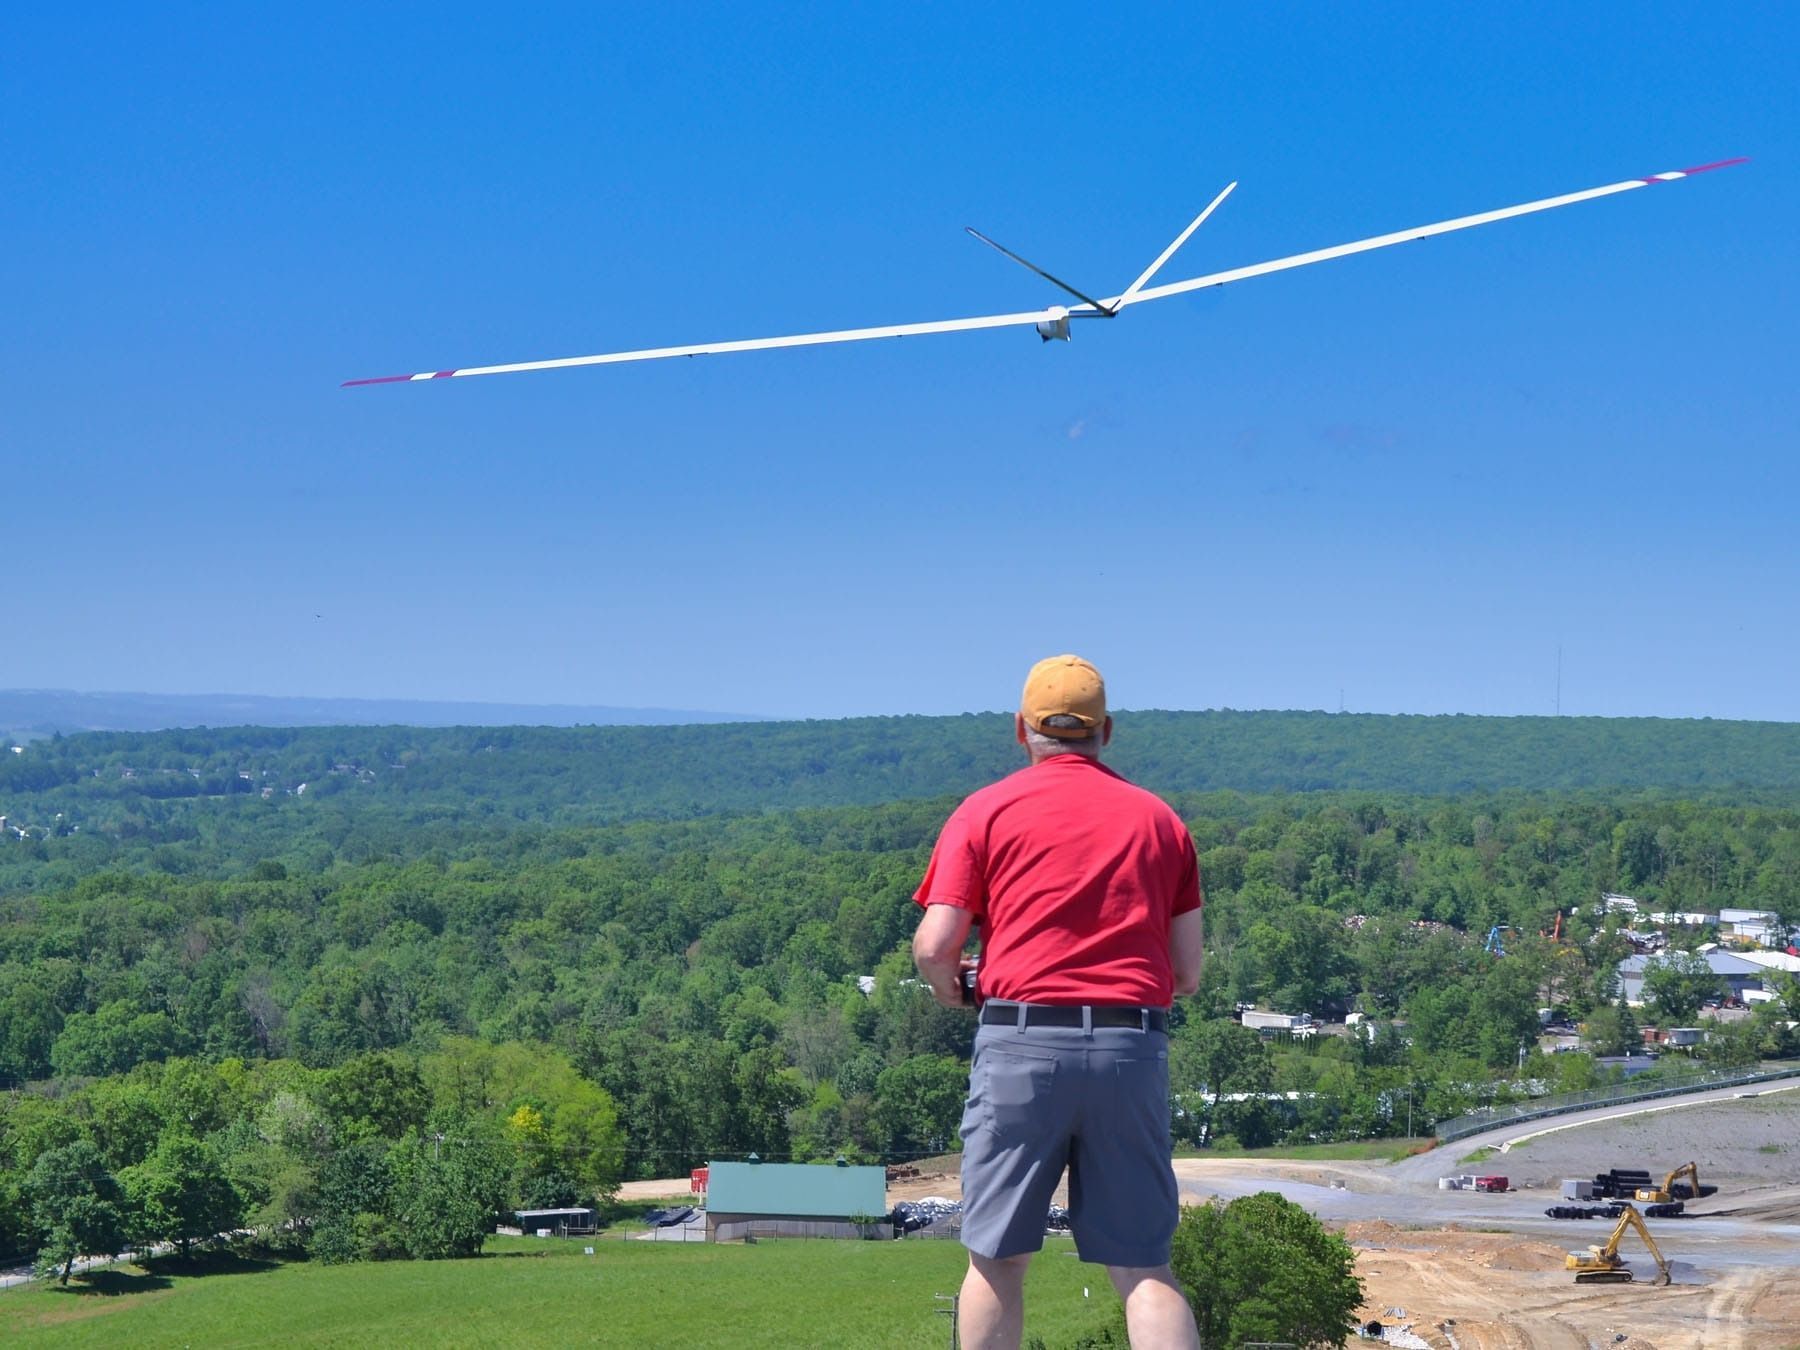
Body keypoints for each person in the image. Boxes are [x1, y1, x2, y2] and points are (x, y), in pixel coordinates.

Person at [912, 654, 1204, 1350]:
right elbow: (1187, 972)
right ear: (1106, 731)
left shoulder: (986, 811)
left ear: (1022, 730)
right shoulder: (1160, 822)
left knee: (996, 1259)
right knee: (1143, 1266)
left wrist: (952, 984)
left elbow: (934, 945)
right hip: (1130, 1048)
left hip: (1020, 1045)